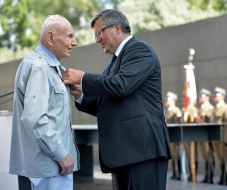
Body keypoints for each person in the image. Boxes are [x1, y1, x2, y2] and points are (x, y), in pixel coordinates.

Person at [63, 9, 171, 190]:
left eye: (99, 33)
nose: (97, 39)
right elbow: (105, 102)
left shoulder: (139, 50)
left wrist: (82, 78)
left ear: (117, 28)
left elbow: (121, 86)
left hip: (143, 153)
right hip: (124, 154)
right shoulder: (114, 62)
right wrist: (80, 94)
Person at [9, 15, 79, 190]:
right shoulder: (39, 67)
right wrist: (62, 154)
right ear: (50, 38)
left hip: (51, 164)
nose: (75, 42)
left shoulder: (46, 66)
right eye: (70, 36)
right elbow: (36, 119)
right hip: (53, 165)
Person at [212, 87, 227, 185]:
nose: (215, 97)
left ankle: (226, 178)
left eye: (217, 95)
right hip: (216, 138)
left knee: (225, 159)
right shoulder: (215, 108)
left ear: (222, 97)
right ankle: (222, 176)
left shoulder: (226, 108)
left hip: (223, 138)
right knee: (220, 159)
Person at [197, 88, 214, 183]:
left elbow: (211, 122)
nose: (199, 97)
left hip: (208, 136)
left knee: (209, 156)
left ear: (207, 97)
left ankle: (210, 176)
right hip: (201, 136)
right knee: (205, 156)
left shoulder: (210, 108)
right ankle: (207, 175)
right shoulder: (199, 109)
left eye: (201, 96)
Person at [164, 91, 182, 180]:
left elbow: (179, 121)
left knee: (176, 154)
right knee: (172, 155)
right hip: (169, 137)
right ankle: (175, 172)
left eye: (168, 99)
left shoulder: (176, 110)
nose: (166, 101)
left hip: (175, 136)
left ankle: (178, 173)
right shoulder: (167, 111)